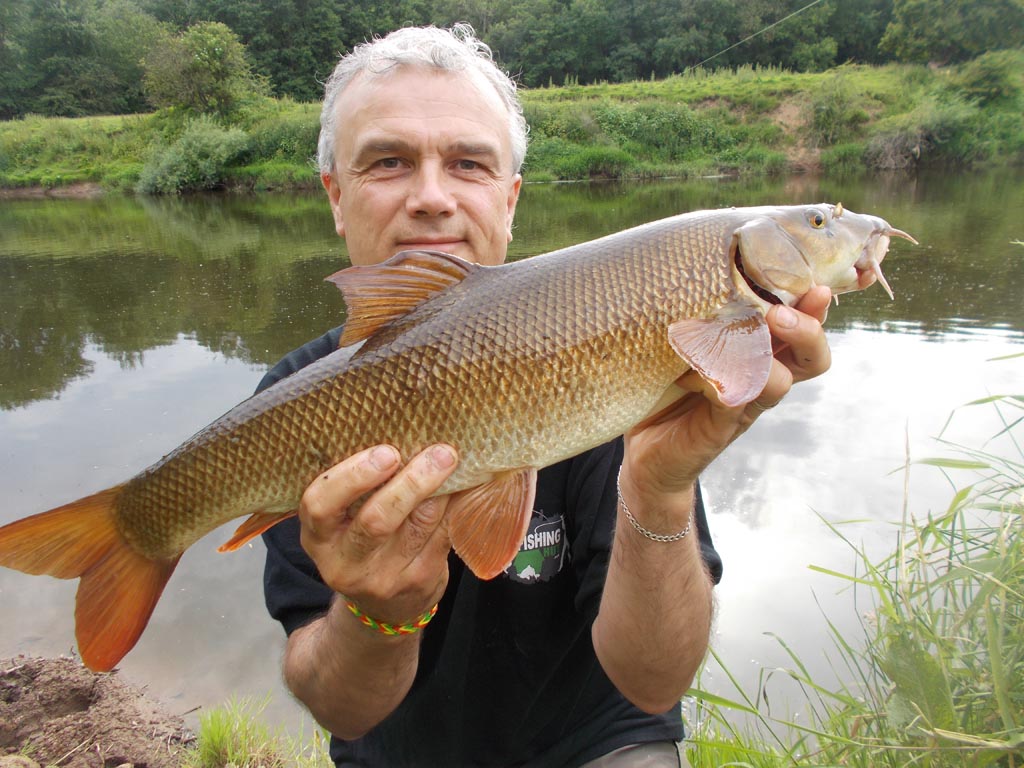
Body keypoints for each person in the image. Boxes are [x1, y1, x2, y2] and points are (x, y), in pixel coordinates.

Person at [259, 24, 833, 768]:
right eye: (388, 162)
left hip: (595, 745)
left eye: (468, 163)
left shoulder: (621, 345)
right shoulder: (294, 399)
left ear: (511, 196)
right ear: (336, 196)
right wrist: (378, 617)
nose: (431, 198)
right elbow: (339, 706)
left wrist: (659, 486)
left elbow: (653, 687)